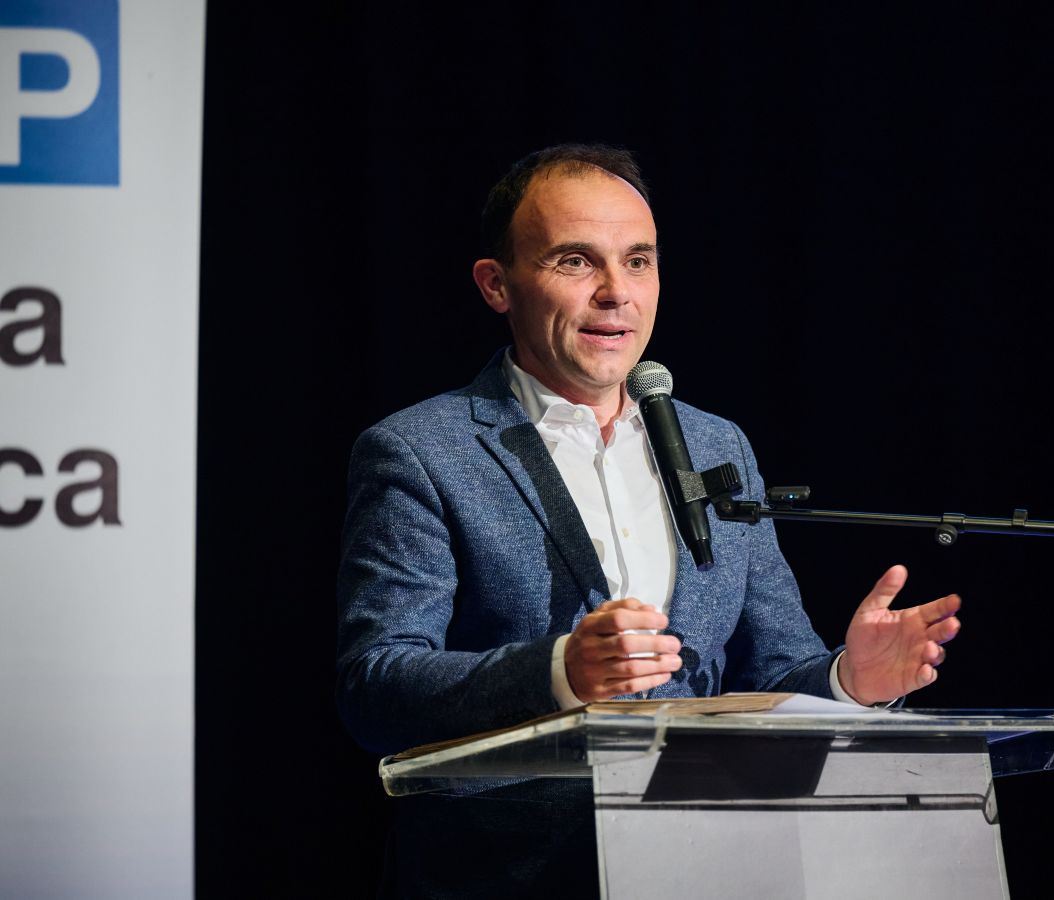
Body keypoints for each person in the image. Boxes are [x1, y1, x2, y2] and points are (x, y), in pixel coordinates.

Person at [336, 144, 962, 898]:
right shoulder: (420, 451)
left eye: (638, 261)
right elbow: (376, 686)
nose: (616, 293)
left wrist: (850, 681)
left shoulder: (716, 444)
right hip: (512, 874)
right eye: (576, 261)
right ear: (497, 284)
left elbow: (772, 672)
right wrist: (559, 672)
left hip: (711, 866)